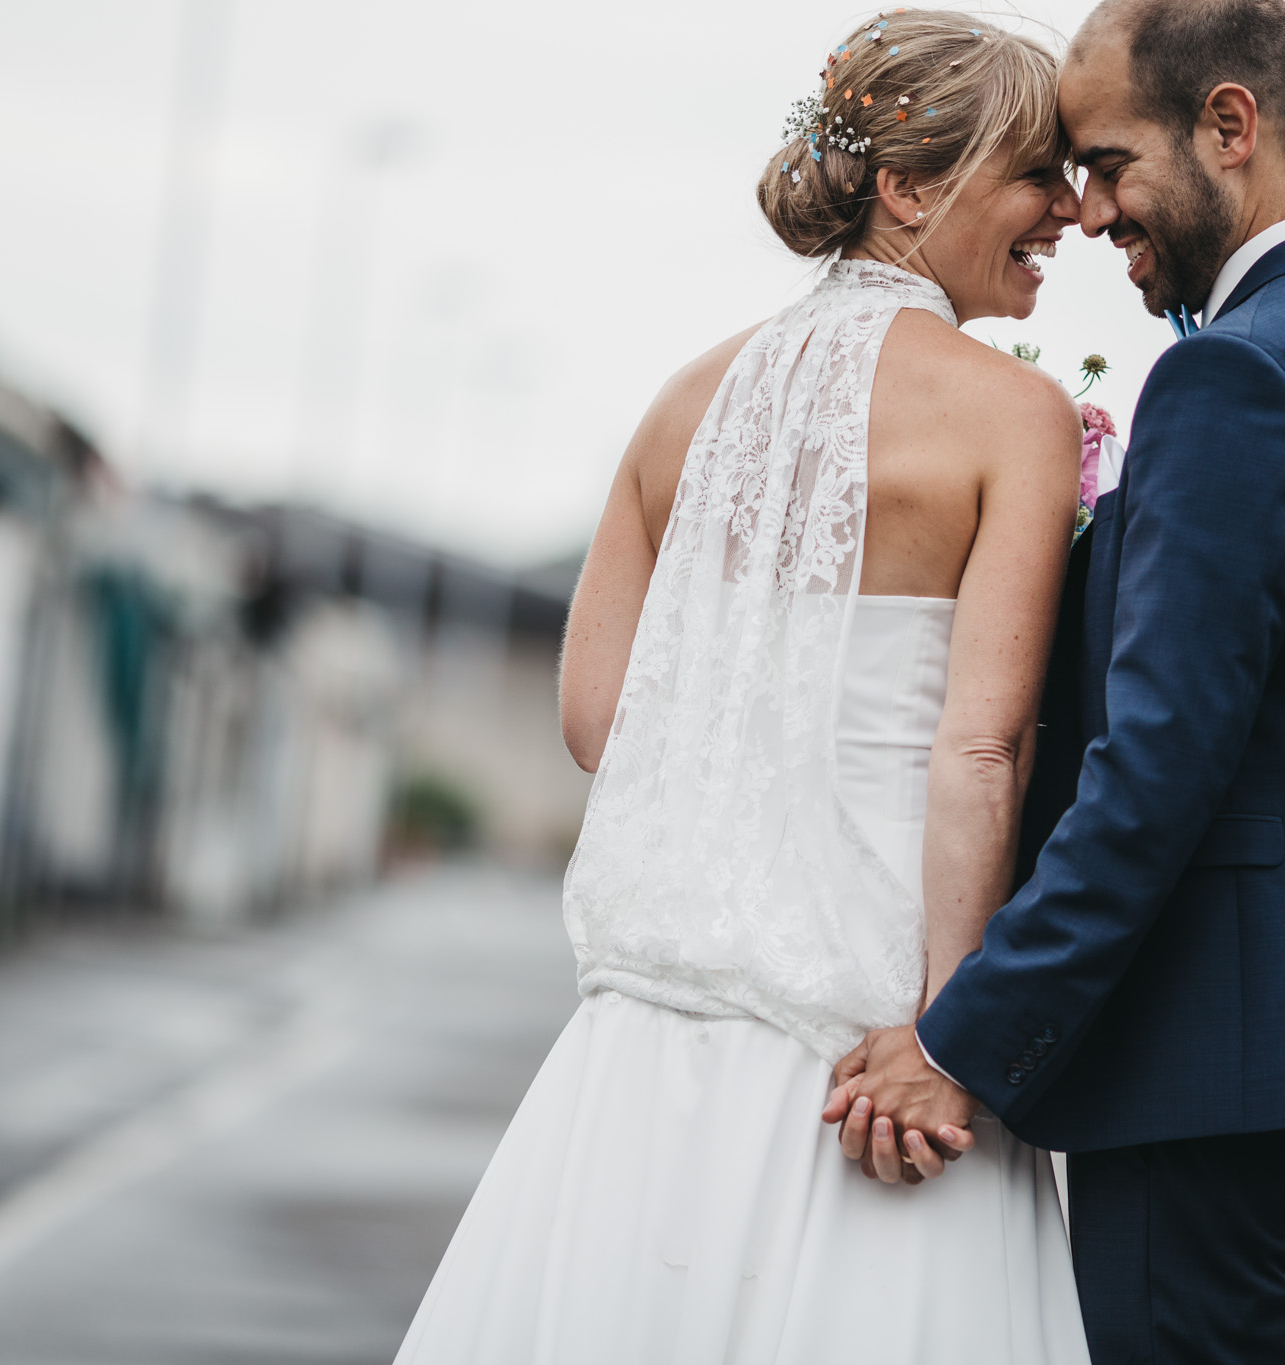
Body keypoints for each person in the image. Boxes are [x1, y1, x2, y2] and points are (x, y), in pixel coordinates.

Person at [394, 11, 1093, 1363]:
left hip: (645, 1043)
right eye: (1036, 170)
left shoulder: (680, 404)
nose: (1064, 207)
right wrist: (949, 1041)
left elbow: (600, 720)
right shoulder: (1010, 415)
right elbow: (978, 755)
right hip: (869, 1043)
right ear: (906, 185)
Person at [830, 2, 1285, 1362]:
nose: (1087, 212)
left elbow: (1155, 768)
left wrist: (964, 1036)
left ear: (1230, 127)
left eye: (1108, 162)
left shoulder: (1236, 374)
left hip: (1220, 1058)